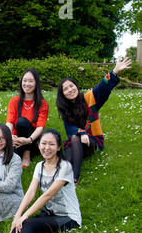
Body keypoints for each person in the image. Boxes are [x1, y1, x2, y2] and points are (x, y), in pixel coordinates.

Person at [0, 129, 82, 233]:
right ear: (38, 145)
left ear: (59, 147)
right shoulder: (39, 166)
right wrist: (17, 216)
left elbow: (48, 195)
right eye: (43, 143)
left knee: (28, 223)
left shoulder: (65, 167)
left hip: (68, 217)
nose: (47, 147)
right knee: (22, 223)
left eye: (52, 144)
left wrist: (24, 216)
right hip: (50, 213)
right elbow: (31, 193)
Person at [56, 57, 132, 186]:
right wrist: (81, 133)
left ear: (76, 86)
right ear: (63, 94)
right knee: (68, 158)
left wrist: (114, 72)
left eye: (71, 86)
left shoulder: (89, 99)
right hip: (76, 141)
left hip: (92, 141)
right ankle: (59, 180)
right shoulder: (65, 109)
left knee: (75, 138)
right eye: (65, 89)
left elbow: (102, 87)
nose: (70, 90)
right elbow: (69, 129)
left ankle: (75, 178)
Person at [6, 68, 49, 168]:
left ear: (36, 83)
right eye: (24, 81)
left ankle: (27, 154)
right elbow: (9, 122)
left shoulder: (43, 104)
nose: (27, 84)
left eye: (31, 81)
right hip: (16, 138)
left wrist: (29, 140)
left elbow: (40, 127)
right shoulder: (14, 101)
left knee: (21, 122)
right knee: (10, 159)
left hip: (32, 139)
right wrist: (10, 136)